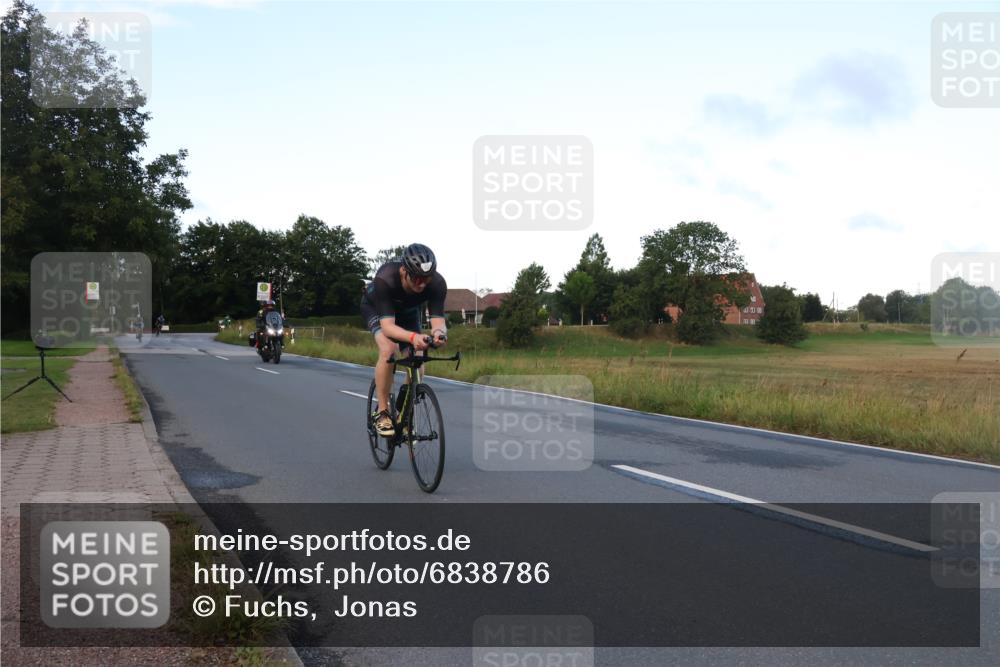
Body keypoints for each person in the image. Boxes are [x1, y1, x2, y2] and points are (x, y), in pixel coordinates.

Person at [361, 243, 447, 436]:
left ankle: (404, 409)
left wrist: (440, 335)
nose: (422, 284)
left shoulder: (438, 284)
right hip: (377, 310)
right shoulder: (386, 278)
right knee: (389, 348)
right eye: (416, 278)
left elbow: (438, 322)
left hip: (408, 314)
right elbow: (388, 327)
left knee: (418, 357)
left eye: (426, 278)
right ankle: (382, 412)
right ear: (403, 271)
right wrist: (413, 336)